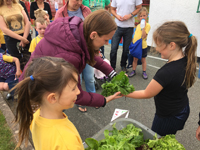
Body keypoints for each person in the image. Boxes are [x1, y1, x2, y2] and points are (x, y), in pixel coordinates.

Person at [14, 56, 121, 149]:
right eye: (74, 88)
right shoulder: (66, 142)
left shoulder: (36, 116)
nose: (79, 91)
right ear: (52, 98)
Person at [19, 10, 118, 109]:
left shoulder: (78, 32)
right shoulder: (70, 57)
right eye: (106, 40)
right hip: (36, 92)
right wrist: (104, 100)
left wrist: (111, 73)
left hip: (41, 83)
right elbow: (76, 95)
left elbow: (91, 56)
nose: (107, 44)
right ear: (93, 35)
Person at [125, 21, 197, 136]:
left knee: (157, 140)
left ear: (172, 45)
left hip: (168, 116)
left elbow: (146, 93)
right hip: (182, 109)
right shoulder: (186, 59)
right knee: (168, 137)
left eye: (159, 45)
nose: (157, 49)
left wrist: (123, 92)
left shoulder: (166, 72)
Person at [55, 0, 93, 112]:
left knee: (90, 78)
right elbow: (57, 34)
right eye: (75, 0)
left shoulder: (86, 10)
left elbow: (92, 28)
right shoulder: (60, 13)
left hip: (86, 50)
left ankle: (92, 98)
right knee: (78, 79)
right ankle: (80, 101)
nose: (78, 2)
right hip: (72, 52)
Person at [110, 0, 142, 72]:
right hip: (117, 26)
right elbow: (112, 9)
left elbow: (139, 8)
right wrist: (116, 15)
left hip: (129, 27)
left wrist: (130, 15)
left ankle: (123, 65)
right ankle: (112, 67)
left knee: (126, 49)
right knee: (113, 49)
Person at [128, 7, 150, 79]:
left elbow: (144, 36)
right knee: (135, 59)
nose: (142, 17)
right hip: (136, 46)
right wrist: (133, 42)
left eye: (144, 15)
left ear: (147, 16)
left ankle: (144, 71)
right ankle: (133, 70)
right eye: (141, 16)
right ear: (138, 17)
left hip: (142, 46)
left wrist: (143, 27)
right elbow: (135, 35)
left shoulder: (147, 25)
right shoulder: (137, 26)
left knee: (143, 59)